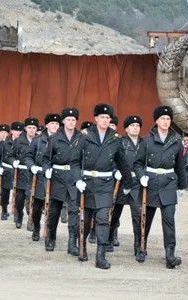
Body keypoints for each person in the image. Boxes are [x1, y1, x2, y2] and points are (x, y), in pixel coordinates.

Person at [77, 103, 133, 269]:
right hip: (86, 183)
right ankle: (83, 245)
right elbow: (74, 161)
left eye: (108, 117)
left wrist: (128, 182)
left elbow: (122, 163)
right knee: (86, 219)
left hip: (105, 184)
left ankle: (100, 256)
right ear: (95, 118)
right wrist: (76, 178)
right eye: (102, 117)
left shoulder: (115, 139)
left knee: (103, 219)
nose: (105, 120)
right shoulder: (85, 136)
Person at [133, 105, 186, 269]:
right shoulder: (146, 141)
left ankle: (170, 254)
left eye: (168, 118)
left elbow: (180, 166)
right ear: (156, 120)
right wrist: (141, 176)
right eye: (162, 118)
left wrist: (181, 187)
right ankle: (141, 247)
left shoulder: (177, 142)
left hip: (169, 183)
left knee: (169, 220)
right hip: (150, 184)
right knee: (145, 219)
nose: (165, 121)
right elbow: (138, 163)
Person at [41, 109, 82, 254]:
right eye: (68, 119)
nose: (71, 122)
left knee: (74, 211)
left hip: (74, 177)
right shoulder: (54, 139)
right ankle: (51, 238)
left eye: (73, 120)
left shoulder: (81, 138)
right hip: (58, 177)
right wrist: (47, 169)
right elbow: (46, 159)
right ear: (63, 121)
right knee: (54, 211)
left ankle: (72, 243)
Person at [106, 115, 143, 261]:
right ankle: (109, 238)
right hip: (121, 182)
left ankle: (138, 246)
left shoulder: (144, 143)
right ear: (126, 129)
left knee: (138, 215)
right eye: (132, 126)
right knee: (115, 213)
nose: (135, 128)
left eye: (137, 126)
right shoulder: (119, 142)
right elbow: (113, 160)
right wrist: (116, 172)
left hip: (137, 183)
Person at [25, 113, 60, 243]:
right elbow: (28, 157)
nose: (55, 126)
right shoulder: (38, 140)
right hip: (40, 178)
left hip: (56, 178)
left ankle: (50, 234)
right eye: (52, 123)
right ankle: (36, 228)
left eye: (57, 124)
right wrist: (32, 167)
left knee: (53, 208)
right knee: (37, 207)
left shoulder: (62, 140)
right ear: (46, 125)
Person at [6, 117, 38, 229]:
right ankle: (19, 215)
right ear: (25, 128)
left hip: (34, 175)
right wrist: (13, 162)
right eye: (29, 127)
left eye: (34, 128)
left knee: (32, 200)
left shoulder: (39, 140)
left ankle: (32, 221)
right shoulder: (18, 141)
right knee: (19, 199)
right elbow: (10, 155)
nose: (32, 130)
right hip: (21, 174)